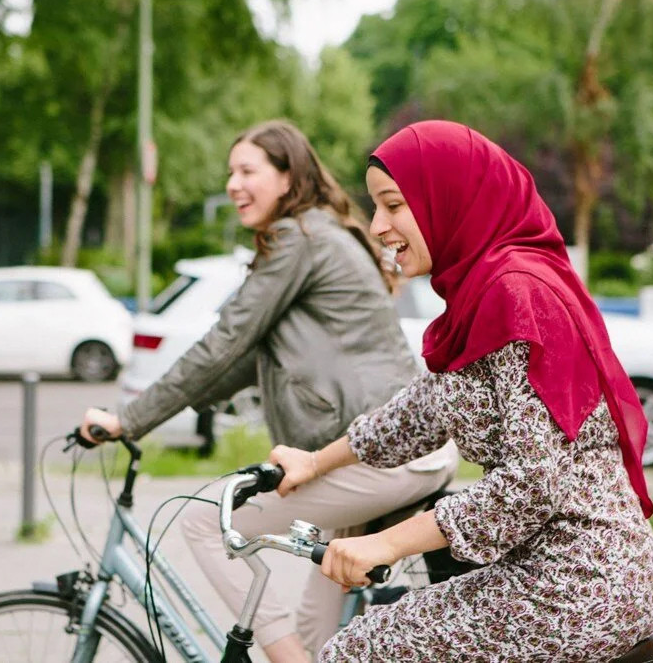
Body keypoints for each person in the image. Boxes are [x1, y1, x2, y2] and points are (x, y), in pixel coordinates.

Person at [271, 120, 653, 661]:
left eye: (393, 205)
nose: (377, 225)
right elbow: (421, 411)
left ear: (449, 198)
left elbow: (534, 482)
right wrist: (315, 462)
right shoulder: (481, 293)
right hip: (563, 572)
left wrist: (387, 541)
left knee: (362, 647)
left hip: (580, 582)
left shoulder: (516, 294)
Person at [79, 120, 459, 662]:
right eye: (230, 172)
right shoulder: (318, 233)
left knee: (203, 521)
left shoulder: (298, 238)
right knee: (313, 628)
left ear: (286, 178)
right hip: (387, 451)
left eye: (247, 171)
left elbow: (223, 343)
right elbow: (244, 361)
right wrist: (173, 407)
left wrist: (130, 419)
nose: (234, 184)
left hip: (380, 456)